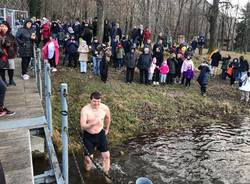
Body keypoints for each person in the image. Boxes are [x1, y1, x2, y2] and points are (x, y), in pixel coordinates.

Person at [80, 91, 111, 178]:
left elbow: (108, 118)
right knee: (88, 159)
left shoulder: (104, 108)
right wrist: (93, 123)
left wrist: (107, 129)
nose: (96, 103)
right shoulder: (85, 110)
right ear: (90, 100)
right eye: (94, 101)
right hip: (88, 135)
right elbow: (82, 126)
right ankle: (87, 173)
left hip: (100, 134)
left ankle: (106, 175)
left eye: (98, 101)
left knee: (106, 156)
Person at [0, 21, 18, 86]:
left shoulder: (11, 35)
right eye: (1, 26)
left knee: (11, 68)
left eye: (4, 26)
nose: (3, 28)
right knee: (2, 68)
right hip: (2, 55)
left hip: (10, 55)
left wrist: (15, 52)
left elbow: (15, 44)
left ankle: (11, 80)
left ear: (7, 27)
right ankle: (3, 80)